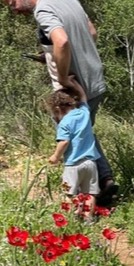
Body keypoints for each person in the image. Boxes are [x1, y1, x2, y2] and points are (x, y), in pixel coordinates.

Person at [0, 0, 118, 206]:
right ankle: (105, 182)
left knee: (71, 139)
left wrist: (64, 76)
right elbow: (91, 31)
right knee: (84, 132)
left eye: (10, 2)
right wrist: (58, 57)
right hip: (95, 80)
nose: (12, 9)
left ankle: (83, 197)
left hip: (72, 90)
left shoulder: (42, 10)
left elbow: (61, 41)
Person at [45, 86, 101, 217]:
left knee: (69, 193)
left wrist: (55, 156)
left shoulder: (64, 123)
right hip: (90, 162)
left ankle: (69, 219)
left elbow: (64, 141)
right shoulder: (84, 112)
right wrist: (74, 83)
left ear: (57, 109)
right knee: (89, 194)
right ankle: (88, 221)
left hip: (73, 164)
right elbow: (83, 97)